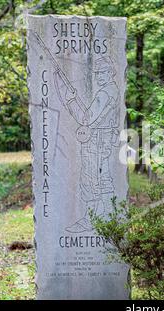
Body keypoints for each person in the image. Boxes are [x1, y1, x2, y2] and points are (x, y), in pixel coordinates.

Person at [54, 56, 120, 233]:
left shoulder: (105, 92)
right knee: (103, 178)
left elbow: (86, 119)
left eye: (102, 73)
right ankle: (107, 215)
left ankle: (90, 219)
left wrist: (71, 100)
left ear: (110, 73)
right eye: (97, 73)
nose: (99, 76)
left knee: (90, 180)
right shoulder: (112, 90)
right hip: (103, 139)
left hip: (96, 140)